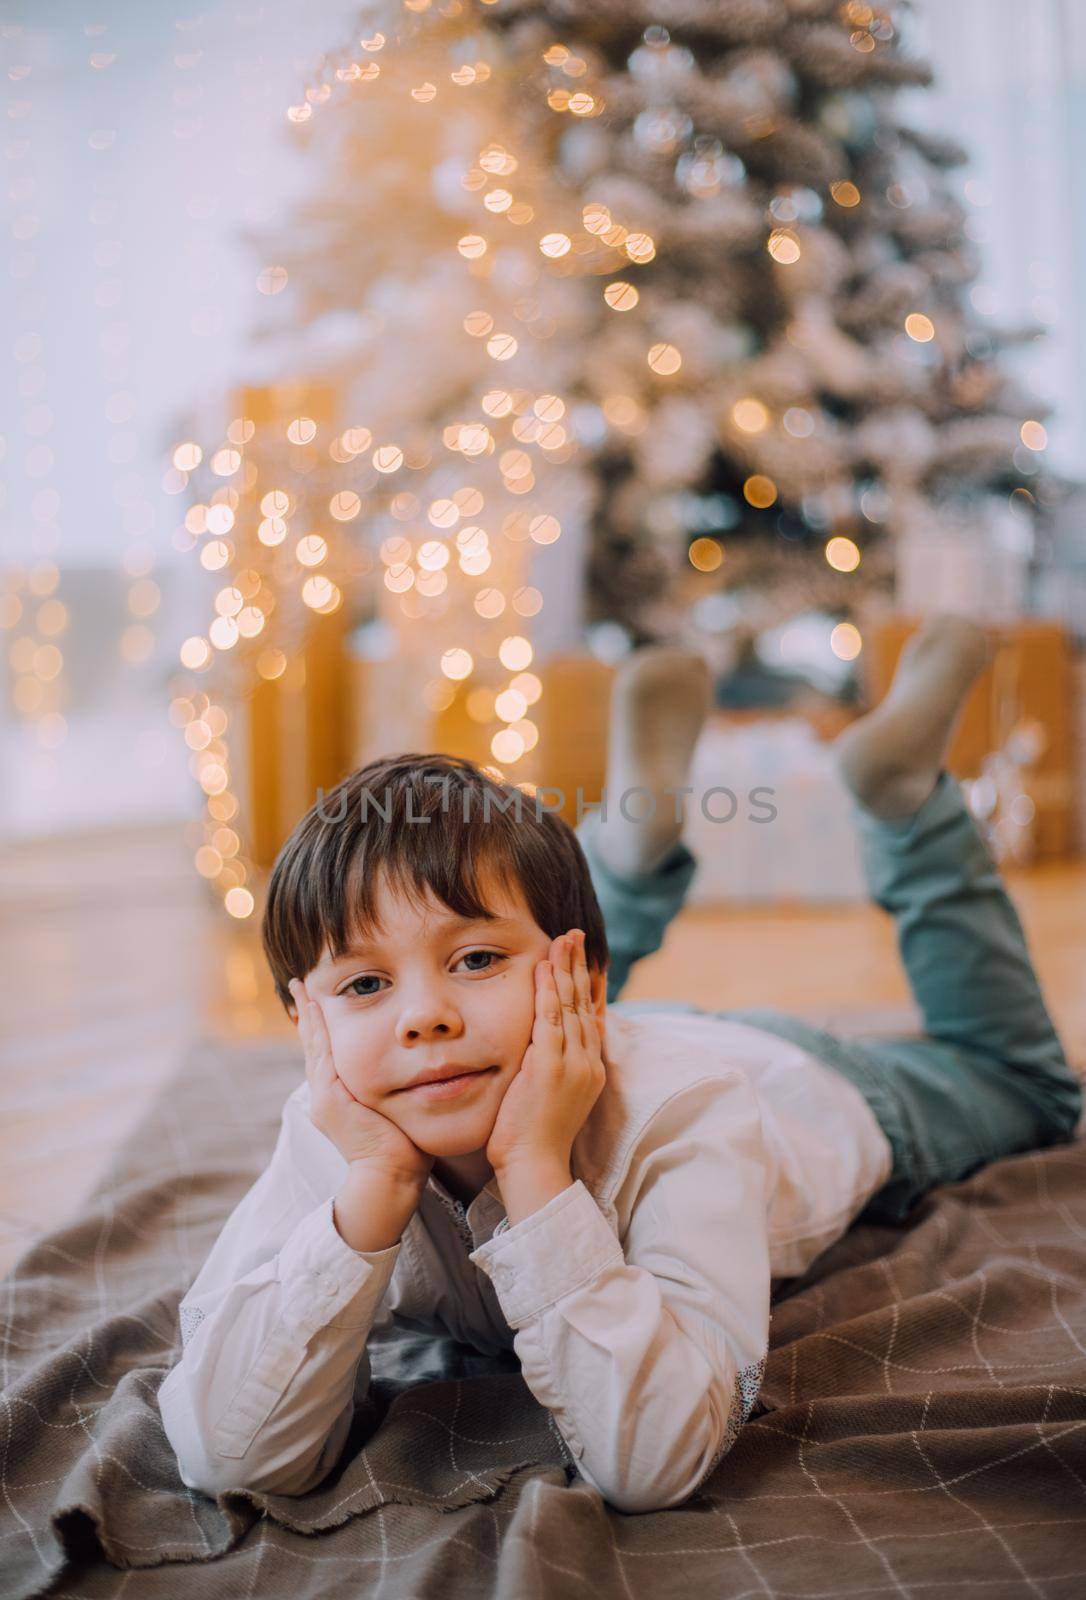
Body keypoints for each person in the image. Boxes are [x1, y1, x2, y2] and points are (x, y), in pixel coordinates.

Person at [158, 616, 1081, 1514]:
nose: (424, 1017)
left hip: (799, 1079)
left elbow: (657, 1459)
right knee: (536, 974)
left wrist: (535, 1176)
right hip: (581, 1035)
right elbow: (229, 1453)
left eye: (472, 960)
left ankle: (906, 803)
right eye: (363, 984)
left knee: (1026, 1086)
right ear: (302, 1019)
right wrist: (370, 1194)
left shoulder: (691, 1111)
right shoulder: (340, 1124)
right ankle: (625, 857)